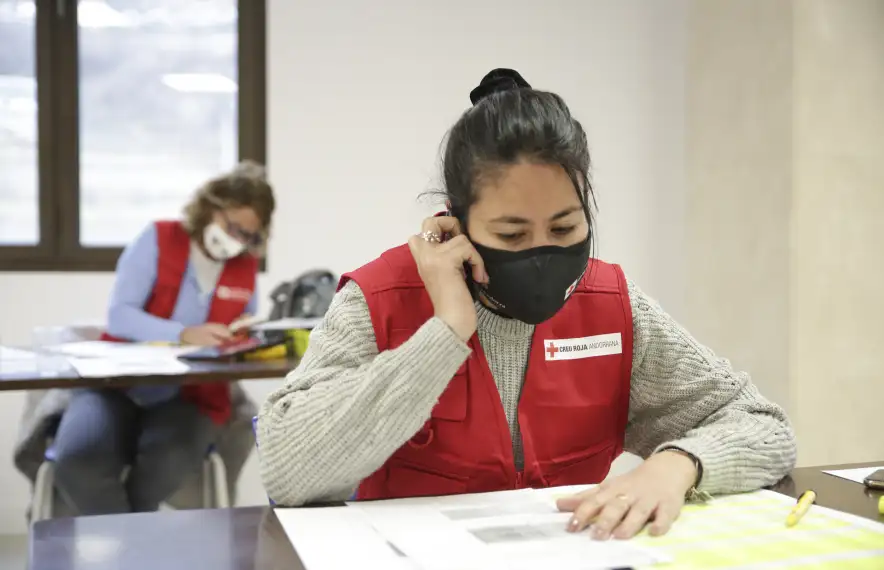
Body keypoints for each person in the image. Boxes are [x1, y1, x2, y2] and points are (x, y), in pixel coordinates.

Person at [256, 69, 797, 540]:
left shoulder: (611, 304)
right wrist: (445, 332)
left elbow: (764, 426)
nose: (544, 253)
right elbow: (287, 470)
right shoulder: (379, 300)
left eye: (565, 227)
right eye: (511, 235)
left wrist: (679, 465)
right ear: (455, 223)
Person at [43, 160, 274, 516]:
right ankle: (137, 550)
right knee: (78, 463)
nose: (237, 241)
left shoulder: (244, 268)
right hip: (114, 385)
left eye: (248, 235)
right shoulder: (159, 238)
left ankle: (128, 545)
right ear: (212, 207)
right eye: (233, 227)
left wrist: (245, 339)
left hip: (190, 397)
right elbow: (121, 316)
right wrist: (183, 334)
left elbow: (242, 327)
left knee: (167, 463)